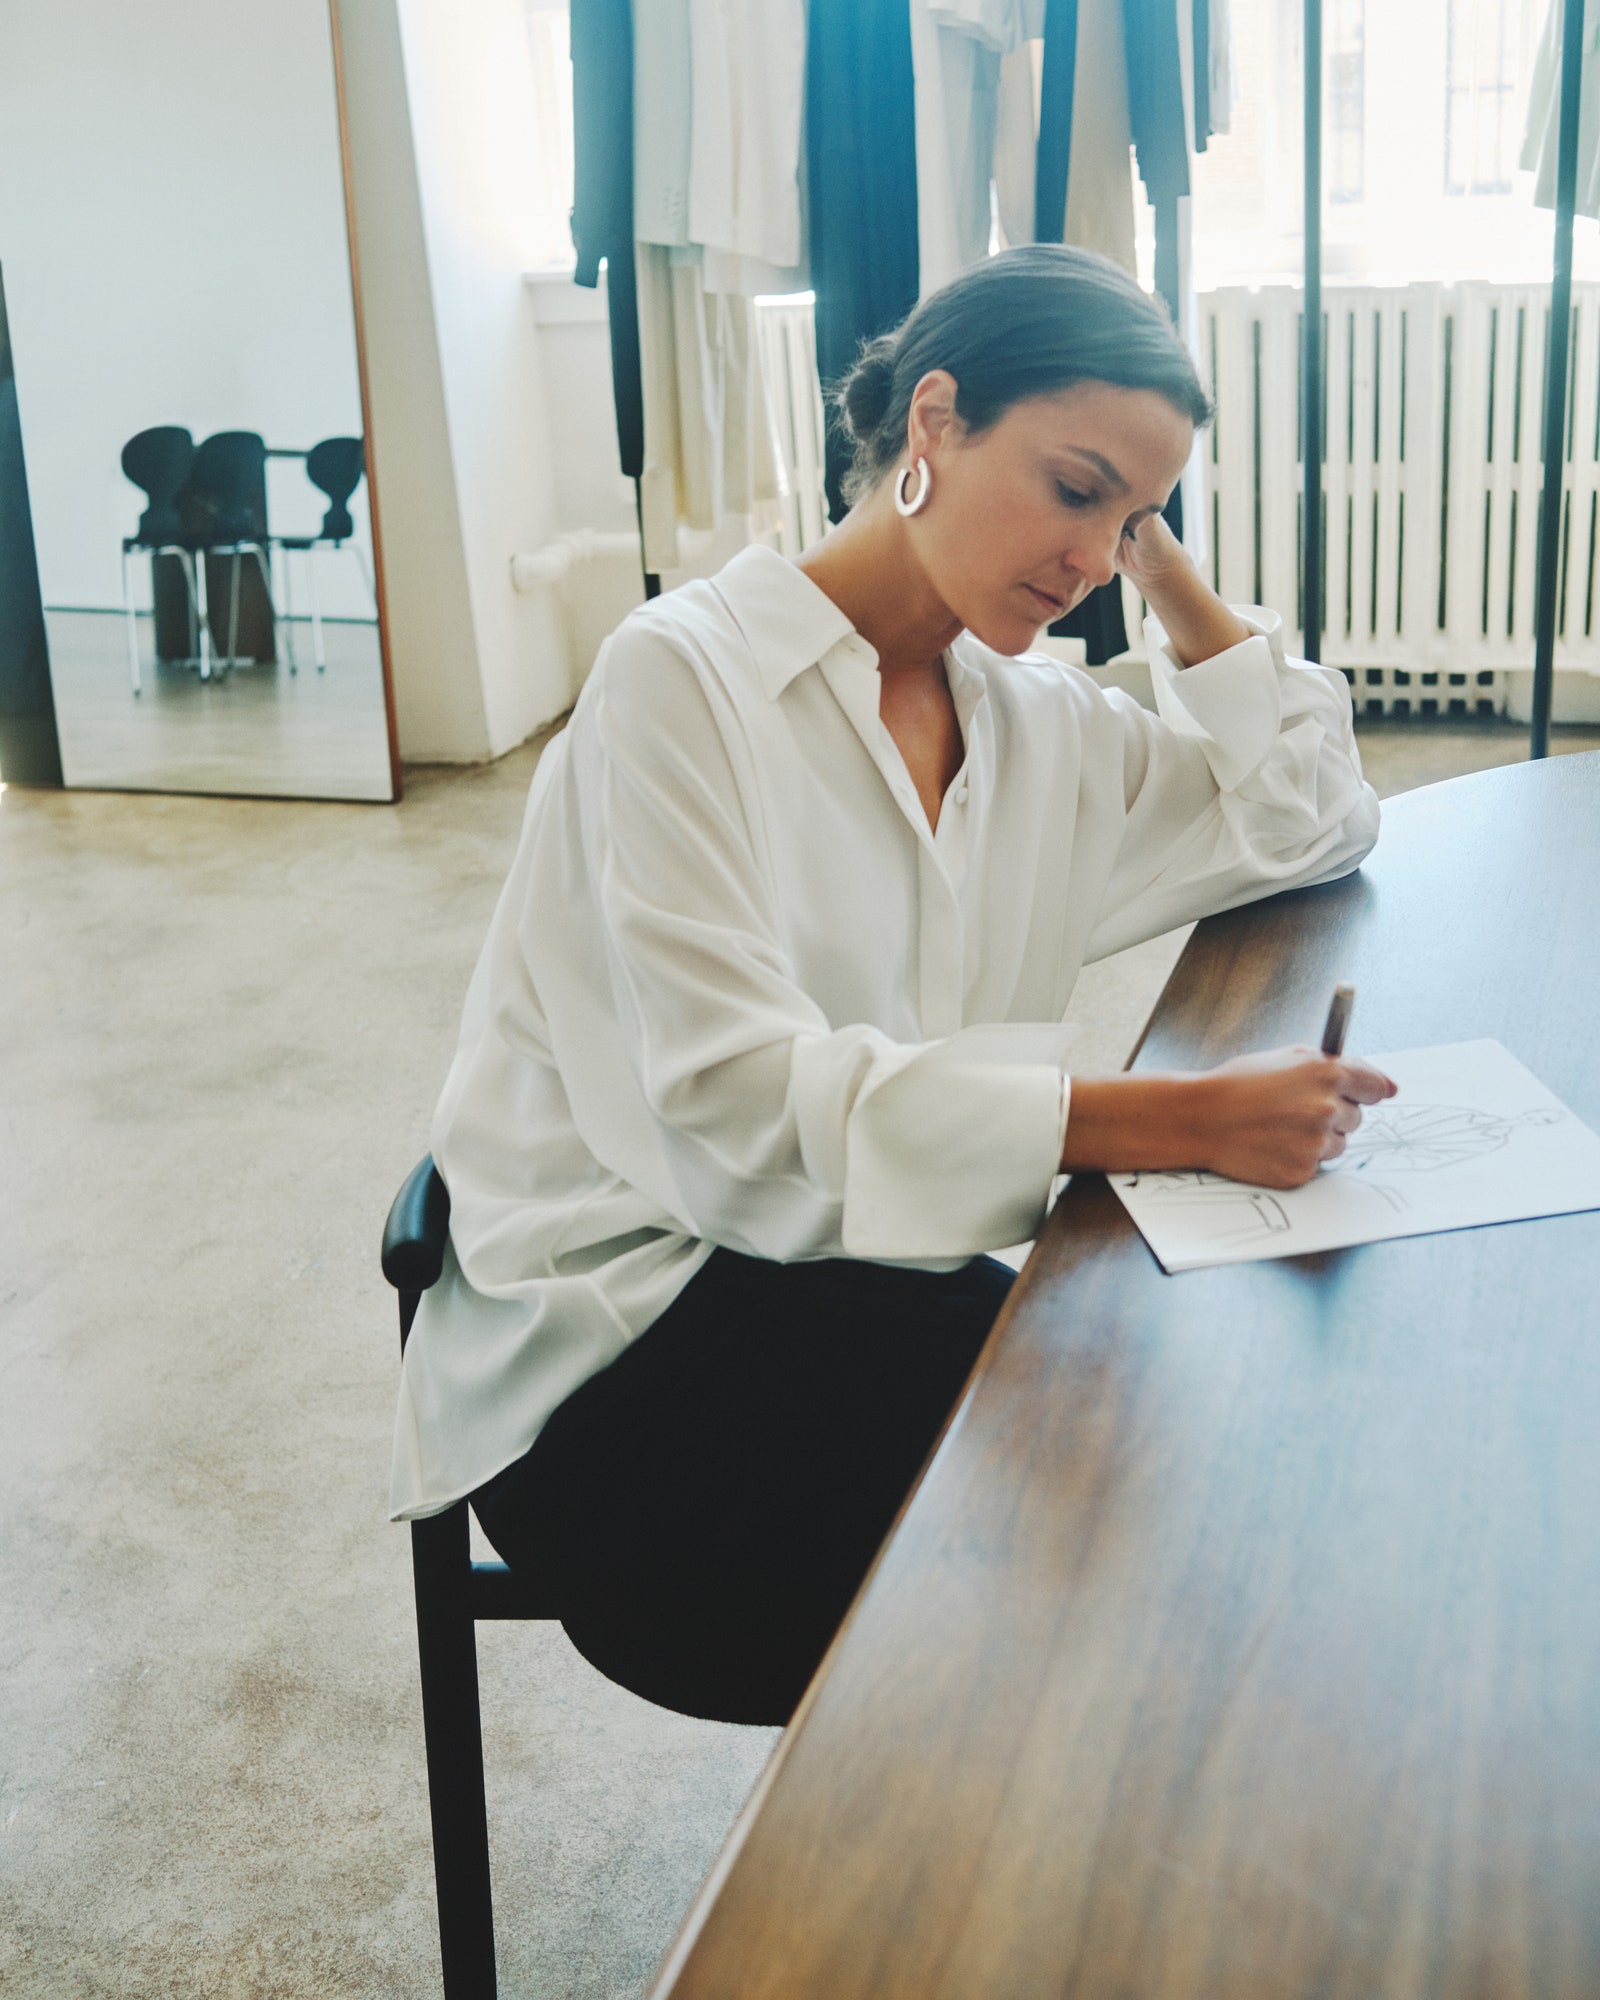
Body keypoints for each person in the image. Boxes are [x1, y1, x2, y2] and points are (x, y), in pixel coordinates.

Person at [389, 245, 1391, 1727]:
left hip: (851, 1266)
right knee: (1101, 1567)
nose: (1086, 554)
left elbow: (1312, 810)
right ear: (934, 420)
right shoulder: (680, 681)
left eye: (1131, 514)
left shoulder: (1037, 723)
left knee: (1185, 1462)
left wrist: (1162, 572)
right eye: (1071, 487)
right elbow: (732, 1112)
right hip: (619, 1341)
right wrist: (1163, 1119)